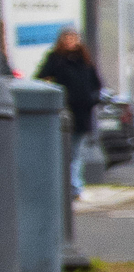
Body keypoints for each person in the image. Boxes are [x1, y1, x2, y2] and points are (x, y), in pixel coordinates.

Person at [33, 27, 102, 195]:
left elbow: (96, 84)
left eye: (74, 38)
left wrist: (91, 100)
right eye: (68, 38)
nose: (71, 42)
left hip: (82, 113)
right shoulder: (56, 59)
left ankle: (75, 185)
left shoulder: (84, 61)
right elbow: (40, 77)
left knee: (77, 151)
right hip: (63, 111)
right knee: (65, 150)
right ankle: (66, 185)